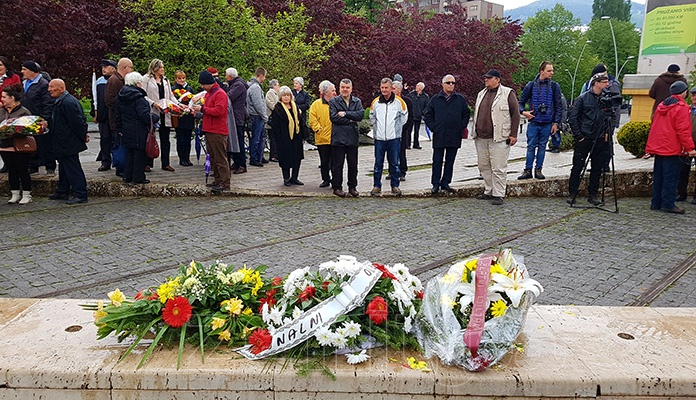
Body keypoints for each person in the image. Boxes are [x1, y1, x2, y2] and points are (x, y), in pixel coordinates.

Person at [471, 69, 520, 206]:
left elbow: (515, 114)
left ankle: (499, 193)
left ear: (497, 79)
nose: (485, 80)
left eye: (489, 78)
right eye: (485, 77)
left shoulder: (508, 93)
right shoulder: (481, 93)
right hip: (481, 137)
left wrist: (514, 134)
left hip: (499, 137)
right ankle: (489, 190)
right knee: (484, 165)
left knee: (498, 167)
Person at [646, 81, 696, 214]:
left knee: (659, 176)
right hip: (672, 147)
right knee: (671, 177)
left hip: (660, 146)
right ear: (684, 92)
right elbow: (683, 130)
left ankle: (656, 202)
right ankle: (668, 203)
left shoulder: (662, 105)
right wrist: (690, 148)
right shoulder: (681, 107)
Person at [567, 73, 611, 206]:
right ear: (596, 83)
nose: (607, 84)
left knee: (597, 168)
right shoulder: (582, 99)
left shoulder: (605, 99)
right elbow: (573, 118)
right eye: (604, 82)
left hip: (600, 138)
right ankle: (572, 192)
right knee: (577, 166)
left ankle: (593, 194)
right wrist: (579, 136)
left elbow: (610, 117)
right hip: (585, 137)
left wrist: (607, 132)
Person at [423, 74, 471, 194]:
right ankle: (435, 183)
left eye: (453, 83)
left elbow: (466, 114)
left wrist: (461, 126)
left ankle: (446, 182)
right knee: (437, 160)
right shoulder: (435, 99)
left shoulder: (459, 99)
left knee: (450, 160)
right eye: (448, 83)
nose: (451, 85)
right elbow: (427, 115)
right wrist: (434, 127)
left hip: (454, 134)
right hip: (440, 134)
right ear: (443, 84)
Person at [46, 79, 89, 204]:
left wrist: (82, 137)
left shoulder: (67, 103)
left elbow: (77, 123)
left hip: (68, 141)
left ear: (61, 88)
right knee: (64, 167)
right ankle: (62, 191)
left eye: (51, 87)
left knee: (72, 168)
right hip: (62, 141)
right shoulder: (62, 101)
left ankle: (81, 194)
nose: (49, 89)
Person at [518, 61, 563, 180]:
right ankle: (527, 170)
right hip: (533, 122)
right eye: (549, 71)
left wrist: (556, 123)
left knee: (542, 147)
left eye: (552, 70)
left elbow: (559, 106)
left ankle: (539, 170)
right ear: (541, 71)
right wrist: (524, 112)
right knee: (531, 147)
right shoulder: (531, 85)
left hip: (547, 123)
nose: (552, 73)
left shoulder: (554, 86)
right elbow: (520, 103)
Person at [116, 72, 159, 184]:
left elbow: (117, 115)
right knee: (139, 154)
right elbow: (144, 116)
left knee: (130, 153)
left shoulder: (121, 96)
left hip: (126, 129)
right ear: (137, 83)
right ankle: (138, 178)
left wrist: (120, 128)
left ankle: (127, 175)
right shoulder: (139, 98)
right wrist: (155, 117)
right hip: (138, 130)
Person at [369, 77, 408, 197]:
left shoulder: (399, 102)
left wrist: (396, 129)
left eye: (386, 88)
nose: (384, 90)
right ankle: (376, 185)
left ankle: (395, 185)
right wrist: (377, 128)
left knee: (394, 163)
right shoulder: (375, 102)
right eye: (382, 88)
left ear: (391, 88)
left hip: (394, 138)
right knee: (378, 163)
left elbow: (404, 116)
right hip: (379, 138)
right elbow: (372, 116)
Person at [193, 70, 230, 192]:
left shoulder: (220, 94)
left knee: (220, 159)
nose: (202, 87)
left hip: (218, 131)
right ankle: (217, 180)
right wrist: (198, 112)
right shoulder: (209, 93)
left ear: (209, 83)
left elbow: (219, 111)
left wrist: (202, 109)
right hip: (209, 129)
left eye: (203, 84)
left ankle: (225, 183)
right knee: (213, 158)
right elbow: (208, 110)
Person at [329, 78, 364, 198]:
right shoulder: (334, 101)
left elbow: (360, 115)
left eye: (347, 87)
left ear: (351, 89)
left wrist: (345, 114)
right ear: (339, 88)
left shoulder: (356, 101)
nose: (345, 89)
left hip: (352, 138)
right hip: (338, 138)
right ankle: (337, 187)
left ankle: (352, 187)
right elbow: (333, 118)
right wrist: (350, 119)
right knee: (337, 165)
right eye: (343, 87)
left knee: (353, 165)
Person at [142, 58, 179, 172]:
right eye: (161, 67)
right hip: (153, 111)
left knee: (165, 139)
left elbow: (170, 95)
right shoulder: (146, 79)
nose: (163, 69)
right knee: (150, 137)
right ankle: (147, 163)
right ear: (155, 68)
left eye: (163, 67)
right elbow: (143, 95)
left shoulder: (165, 80)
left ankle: (166, 163)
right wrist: (154, 103)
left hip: (165, 112)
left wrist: (178, 104)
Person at [0, 84, 34, 204]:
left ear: (12, 98)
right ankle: (14, 193)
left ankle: (26, 193)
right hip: (4, 145)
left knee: (22, 169)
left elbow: (29, 129)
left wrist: (12, 131)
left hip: (20, 145)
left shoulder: (24, 112)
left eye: (4, 97)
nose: (2, 99)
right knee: (11, 170)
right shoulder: (1, 111)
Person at [21, 60, 55, 175]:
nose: (22, 72)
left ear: (32, 71)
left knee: (44, 144)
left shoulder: (43, 84)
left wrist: (45, 118)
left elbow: (48, 103)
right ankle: (33, 165)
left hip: (39, 118)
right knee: (31, 143)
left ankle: (50, 166)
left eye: (24, 69)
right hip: (27, 118)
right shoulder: (24, 83)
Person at [271, 85, 306, 187]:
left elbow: (300, 120)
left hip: (296, 136)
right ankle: (286, 178)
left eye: (288, 95)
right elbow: (275, 126)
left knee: (297, 158)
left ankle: (294, 177)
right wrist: (279, 138)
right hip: (284, 138)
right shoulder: (277, 109)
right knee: (285, 158)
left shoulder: (295, 106)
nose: (286, 97)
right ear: (280, 97)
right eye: (284, 95)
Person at [104, 58, 134, 177]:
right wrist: (123, 108)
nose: (132, 70)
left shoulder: (122, 80)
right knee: (118, 145)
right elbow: (109, 100)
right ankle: (120, 168)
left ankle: (124, 167)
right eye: (131, 67)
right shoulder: (114, 80)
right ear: (125, 68)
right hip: (117, 120)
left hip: (123, 120)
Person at [309, 80, 336, 188]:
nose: (335, 92)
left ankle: (335, 179)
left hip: (335, 138)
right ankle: (325, 179)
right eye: (332, 90)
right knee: (324, 161)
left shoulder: (337, 102)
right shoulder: (316, 104)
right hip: (322, 139)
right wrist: (319, 130)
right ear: (326, 92)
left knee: (335, 162)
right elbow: (312, 119)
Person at [93, 59, 117, 171]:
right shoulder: (99, 81)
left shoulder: (117, 80)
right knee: (105, 139)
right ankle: (105, 161)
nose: (103, 69)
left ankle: (117, 161)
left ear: (113, 68)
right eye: (102, 67)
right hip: (103, 115)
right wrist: (95, 113)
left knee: (116, 139)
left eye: (106, 67)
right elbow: (95, 98)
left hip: (114, 115)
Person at [0, 56, 22, 174]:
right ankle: (5, 162)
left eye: (0, 65)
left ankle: (12, 162)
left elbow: (16, 93)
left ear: (6, 66)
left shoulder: (13, 77)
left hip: (9, 109)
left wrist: (3, 103)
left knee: (9, 133)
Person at [225, 67, 248, 174]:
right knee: (235, 140)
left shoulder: (238, 85)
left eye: (226, 75)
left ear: (230, 76)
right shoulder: (236, 84)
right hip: (235, 116)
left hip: (237, 117)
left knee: (238, 140)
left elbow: (228, 97)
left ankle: (242, 164)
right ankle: (237, 162)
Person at [677, 86, 696, 204]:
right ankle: (681, 193)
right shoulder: (686, 109)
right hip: (687, 144)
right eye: (693, 95)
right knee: (683, 170)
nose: (694, 97)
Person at [171, 70, 194, 166]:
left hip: (188, 117)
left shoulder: (189, 89)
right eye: (179, 78)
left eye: (183, 78)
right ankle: (182, 158)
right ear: (176, 79)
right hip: (179, 117)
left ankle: (187, 157)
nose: (182, 80)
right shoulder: (173, 89)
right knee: (181, 138)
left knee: (188, 139)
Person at [246, 67, 268, 167]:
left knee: (257, 138)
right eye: (264, 76)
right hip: (256, 116)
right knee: (256, 138)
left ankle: (258, 157)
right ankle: (254, 158)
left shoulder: (252, 86)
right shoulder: (255, 88)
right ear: (261, 76)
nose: (265, 79)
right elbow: (258, 104)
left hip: (254, 116)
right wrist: (264, 116)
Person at [393, 80, 413, 181]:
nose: (392, 90)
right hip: (390, 131)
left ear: (399, 90)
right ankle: (392, 170)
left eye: (394, 88)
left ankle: (402, 171)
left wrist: (403, 128)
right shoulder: (390, 101)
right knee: (392, 152)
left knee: (401, 152)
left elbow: (410, 117)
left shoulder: (407, 101)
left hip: (402, 131)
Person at [408, 82, 428, 150]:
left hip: (418, 116)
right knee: (409, 130)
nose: (416, 87)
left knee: (417, 131)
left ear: (421, 88)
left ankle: (416, 144)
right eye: (416, 85)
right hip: (411, 115)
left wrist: (423, 113)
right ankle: (407, 144)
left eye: (418, 86)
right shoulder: (411, 94)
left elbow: (427, 106)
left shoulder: (425, 96)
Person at [265, 79, 280, 163]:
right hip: (272, 119)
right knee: (273, 138)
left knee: (275, 137)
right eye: (278, 85)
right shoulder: (270, 93)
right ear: (273, 85)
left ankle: (276, 154)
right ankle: (273, 155)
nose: (279, 87)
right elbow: (271, 105)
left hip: (276, 119)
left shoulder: (275, 93)